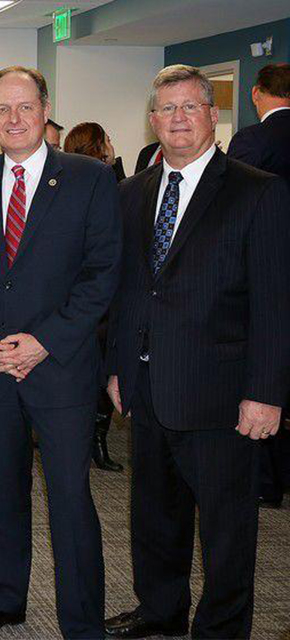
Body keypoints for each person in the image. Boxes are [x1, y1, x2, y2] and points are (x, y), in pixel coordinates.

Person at [103, 64, 290, 640]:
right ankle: (161, 610)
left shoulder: (258, 190)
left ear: (213, 115)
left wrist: (265, 394)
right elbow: (124, 290)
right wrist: (114, 367)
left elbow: (276, 302)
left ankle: (222, 626)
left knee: (227, 529)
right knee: (155, 517)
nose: (178, 118)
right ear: (152, 120)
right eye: (167, 109)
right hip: (147, 387)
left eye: (191, 107)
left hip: (225, 395)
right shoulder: (131, 193)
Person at [0, 66, 120, 639]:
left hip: (59, 369)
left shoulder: (90, 179)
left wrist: (45, 340)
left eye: (24, 107)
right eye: (1, 109)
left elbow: (102, 274)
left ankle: (82, 622)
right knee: (3, 492)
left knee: (70, 499)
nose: (13, 119)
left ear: (45, 110)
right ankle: (5, 600)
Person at [227, 62, 290, 510]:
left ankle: (266, 482)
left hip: (259, 276)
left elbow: (226, 212)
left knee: (264, 368)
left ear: (256, 93)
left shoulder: (252, 141)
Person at [63, 121, 126, 473]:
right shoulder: (102, 179)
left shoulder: (80, 178)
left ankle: (91, 436)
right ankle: (94, 438)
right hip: (95, 300)